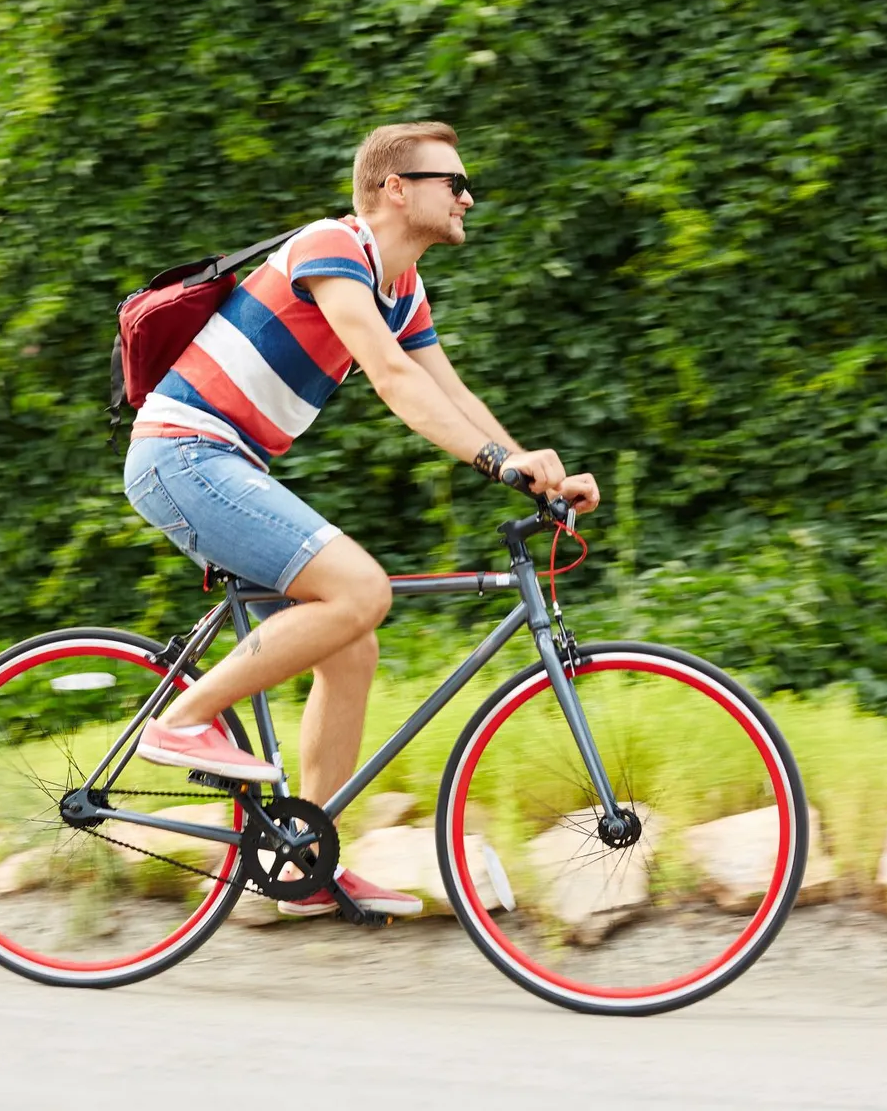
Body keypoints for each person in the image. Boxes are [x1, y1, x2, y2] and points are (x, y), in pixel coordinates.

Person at [122, 121, 600, 917]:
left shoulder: (402, 286)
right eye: (454, 182)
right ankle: (184, 723)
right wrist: (496, 462)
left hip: (228, 463)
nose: (468, 197)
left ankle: (304, 861)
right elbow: (388, 377)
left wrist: (532, 473)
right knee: (360, 591)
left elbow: (449, 393)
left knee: (352, 643)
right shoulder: (329, 245)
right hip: (184, 455)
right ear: (395, 188)